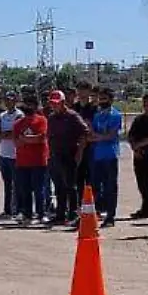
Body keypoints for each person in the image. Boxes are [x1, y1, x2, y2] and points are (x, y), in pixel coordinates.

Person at [45, 90, 85, 225]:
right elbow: (49, 136)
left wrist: (79, 152)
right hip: (55, 154)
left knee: (70, 186)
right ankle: (60, 214)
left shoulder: (72, 116)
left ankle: (73, 213)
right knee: (58, 186)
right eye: (52, 103)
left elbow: (85, 133)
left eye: (56, 103)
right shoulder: (51, 118)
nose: (54, 106)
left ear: (63, 103)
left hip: (69, 154)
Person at [86, 87, 124, 227]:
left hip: (110, 155)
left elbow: (111, 135)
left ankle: (111, 216)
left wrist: (96, 136)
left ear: (111, 99)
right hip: (97, 156)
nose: (101, 101)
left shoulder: (115, 115)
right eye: (100, 98)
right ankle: (96, 213)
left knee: (110, 187)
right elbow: (92, 135)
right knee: (95, 186)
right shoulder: (97, 115)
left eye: (104, 98)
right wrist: (94, 134)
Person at [12, 95, 49, 223]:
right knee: (25, 190)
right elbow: (16, 142)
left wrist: (25, 139)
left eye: (31, 104)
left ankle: (41, 213)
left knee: (39, 190)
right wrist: (30, 139)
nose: (28, 107)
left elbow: (41, 138)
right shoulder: (18, 123)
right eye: (26, 104)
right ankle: (27, 214)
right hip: (22, 162)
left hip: (39, 161)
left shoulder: (41, 120)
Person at [0, 91, 22, 219]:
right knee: (7, 183)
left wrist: (5, 134)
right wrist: (6, 134)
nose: (8, 102)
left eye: (11, 100)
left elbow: (16, 133)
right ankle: (7, 209)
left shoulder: (19, 115)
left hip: (15, 154)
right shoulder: (2, 116)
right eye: (6, 100)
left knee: (17, 183)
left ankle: (16, 208)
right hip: (3, 153)